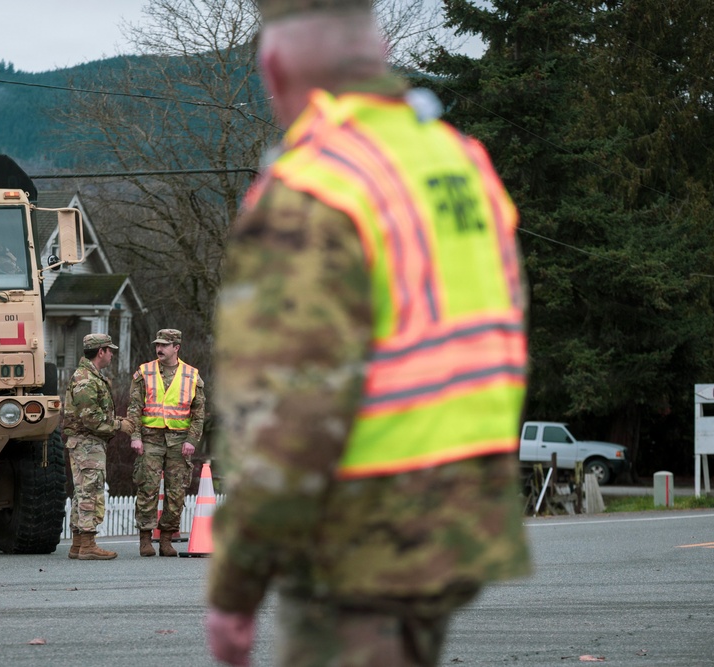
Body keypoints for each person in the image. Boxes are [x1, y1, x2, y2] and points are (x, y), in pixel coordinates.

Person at [205, 2, 531, 666]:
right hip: (460, 520)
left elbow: (285, 418)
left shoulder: (315, 185)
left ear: (273, 67)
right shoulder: (459, 161)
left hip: (359, 535)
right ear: (379, 48)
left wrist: (235, 587)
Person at [127, 328, 206, 557]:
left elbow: (199, 413)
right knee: (147, 487)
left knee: (176, 491)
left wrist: (192, 439)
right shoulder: (145, 371)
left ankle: (167, 539)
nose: (159, 348)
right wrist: (135, 436)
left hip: (179, 441)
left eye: (164, 345)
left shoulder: (192, 375)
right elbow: (134, 407)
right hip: (150, 438)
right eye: (157, 345)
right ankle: (145, 539)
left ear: (176, 348)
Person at [62, 332, 134, 560]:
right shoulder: (86, 379)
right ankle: (88, 544)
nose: (112, 354)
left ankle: (77, 544)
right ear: (100, 351)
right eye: (109, 350)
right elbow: (90, 419)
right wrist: (119, 425)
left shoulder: (91, 376)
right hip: (87, 443)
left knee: (83, 490)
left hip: (89, 443)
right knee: (90, 491)